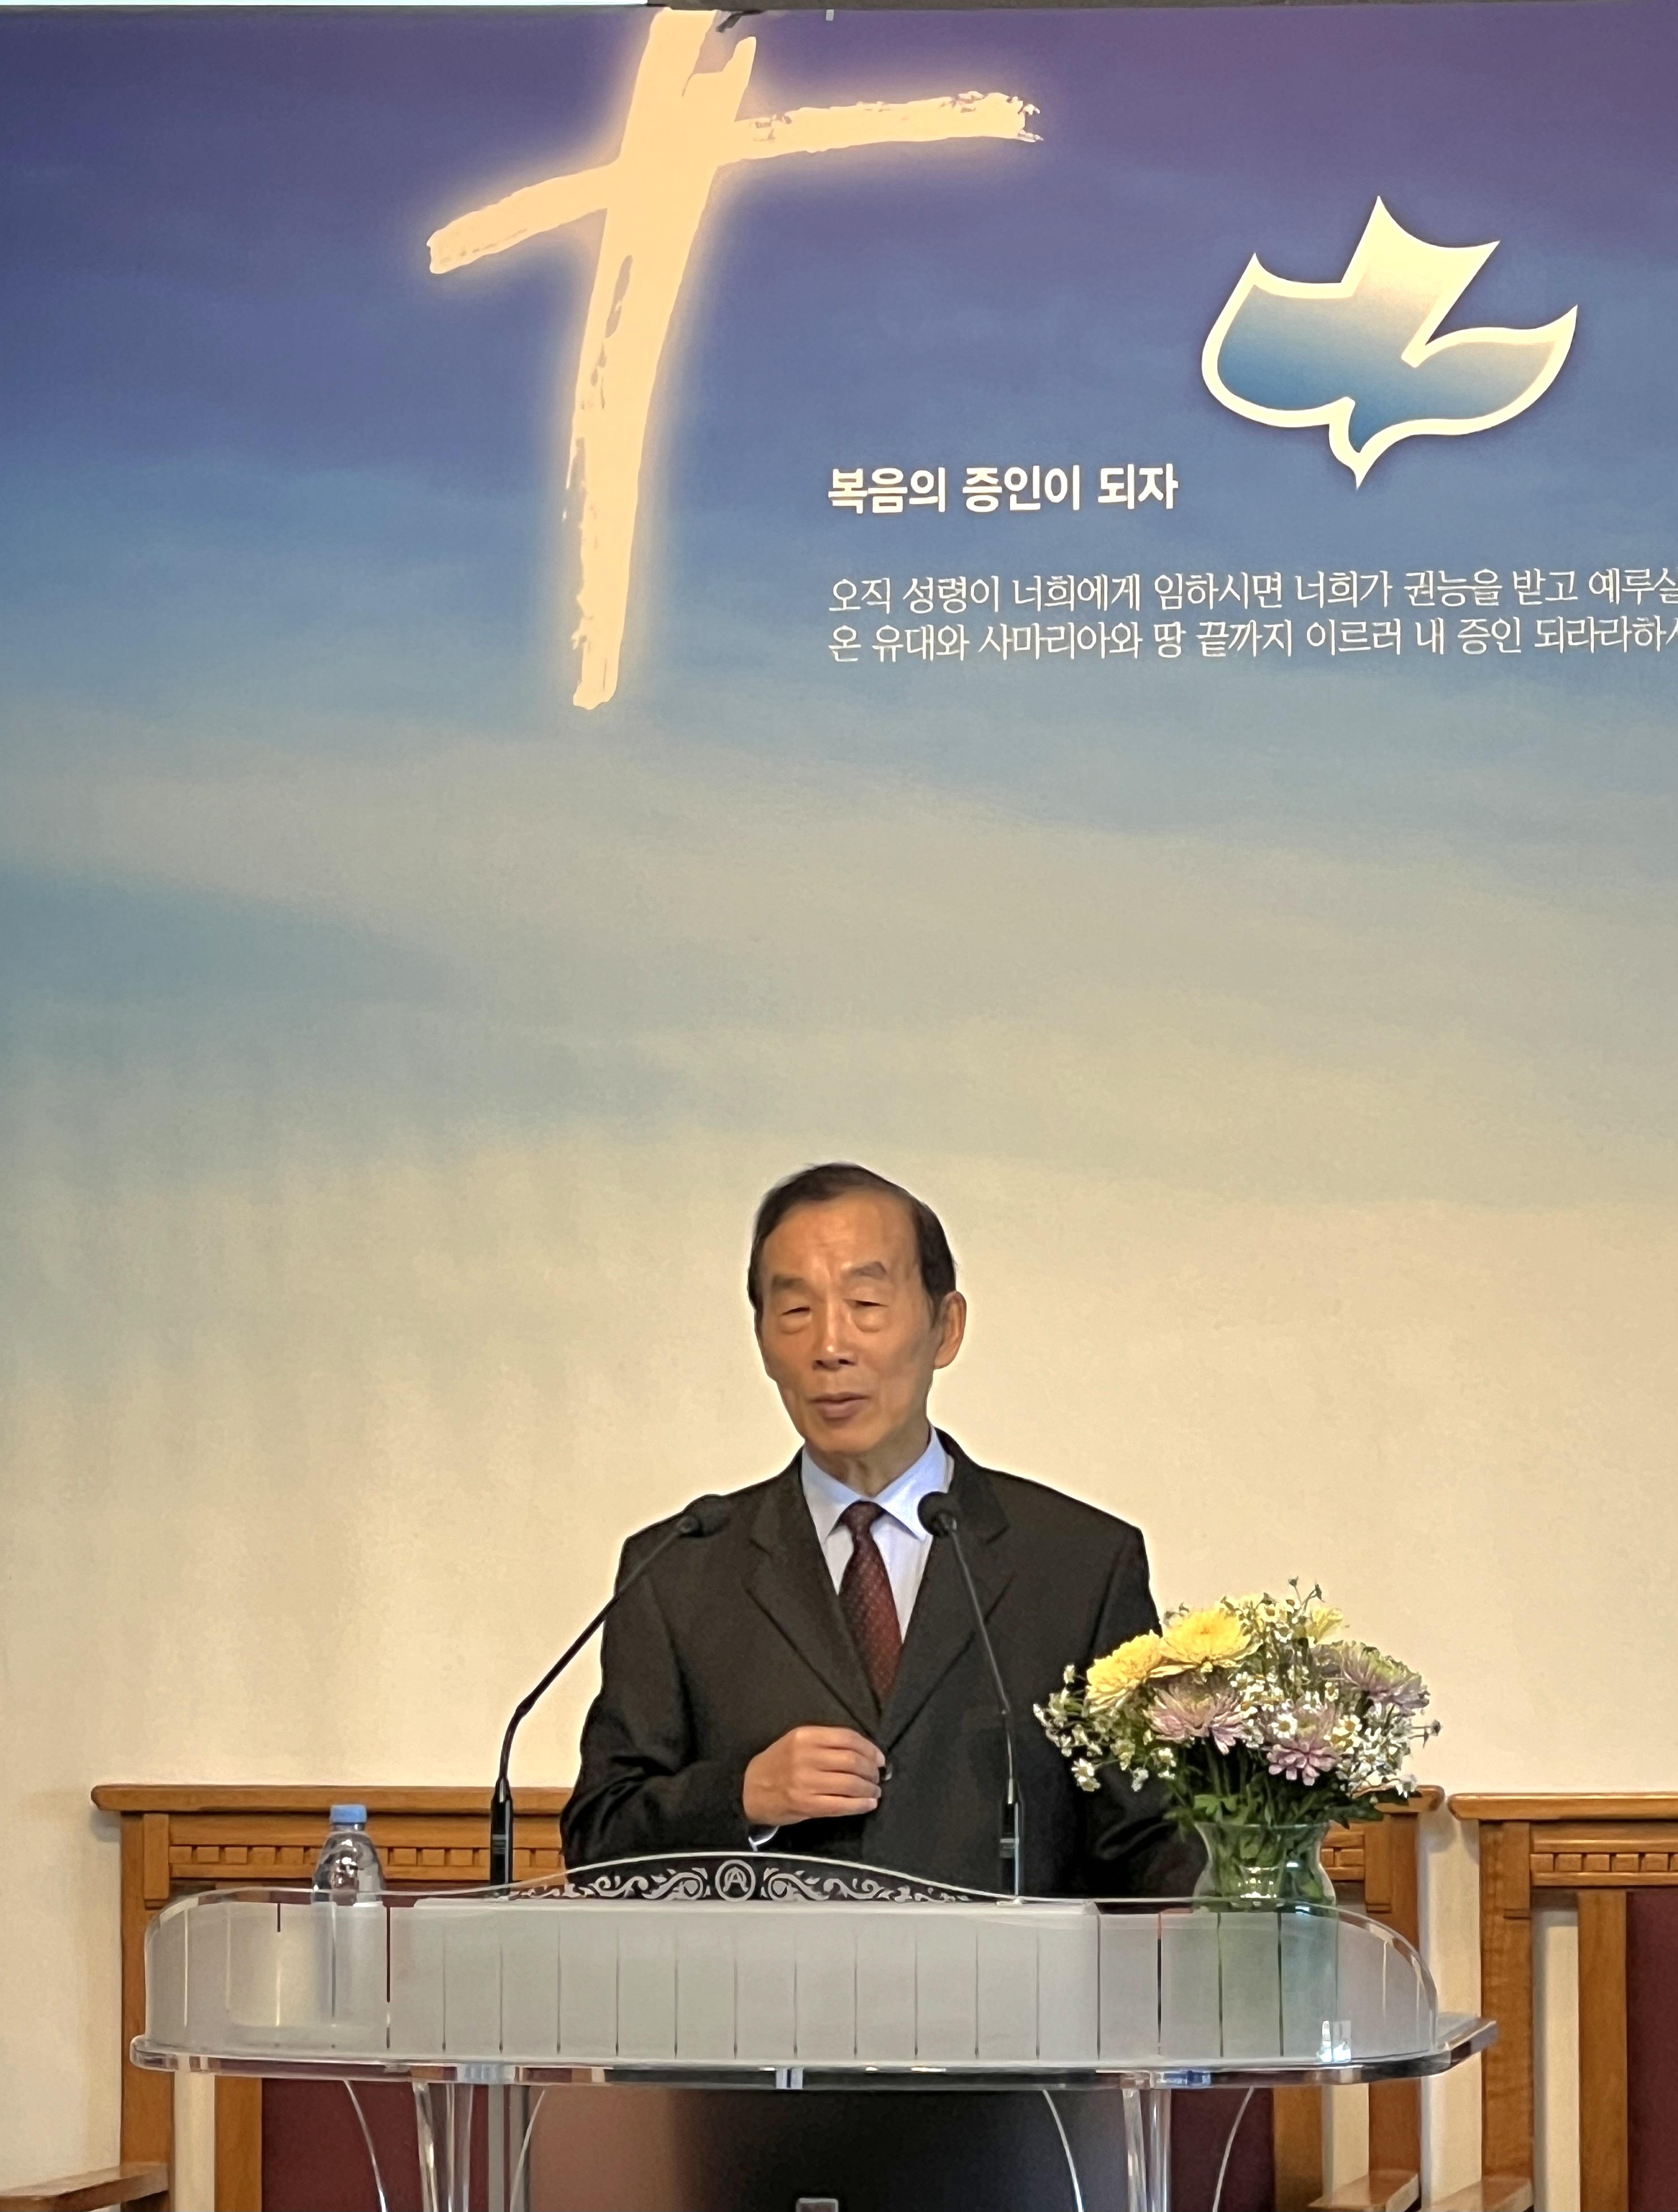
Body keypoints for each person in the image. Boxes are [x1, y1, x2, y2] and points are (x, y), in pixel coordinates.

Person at [562, 1161, 1198, 1899]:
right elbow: (598, 1839)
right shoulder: (681, 1568)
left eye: (866, 1303)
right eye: (795, 1311)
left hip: (1013, 1977)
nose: (830, 1346)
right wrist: (739, 1796)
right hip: (768, 1977)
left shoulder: (1079, 1565)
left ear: (945, 1327)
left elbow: (1151, 1843)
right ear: (763, 1341)